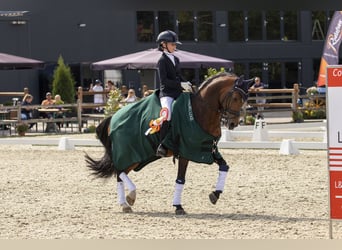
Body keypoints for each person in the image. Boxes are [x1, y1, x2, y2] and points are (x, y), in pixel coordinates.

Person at [155, 30, 192, 157]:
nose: (175, 47)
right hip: (167, 93)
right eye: (172, 44)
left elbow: (178, 75)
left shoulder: (175, 58)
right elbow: (164, 81)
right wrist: (180, 85)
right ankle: (162, 144)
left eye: (175, 45)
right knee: (168, 114)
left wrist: (186, 83)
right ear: (163, 44)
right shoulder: (161, 61)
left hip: (177, 92)